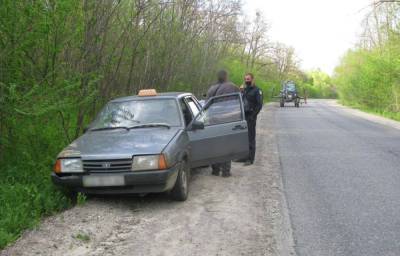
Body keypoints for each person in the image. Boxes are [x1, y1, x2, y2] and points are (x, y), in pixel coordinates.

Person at [207, 70, 239, 177]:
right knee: (227, 146)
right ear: (226, 77)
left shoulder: (211, 88)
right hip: (228, 120)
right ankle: (226, 171)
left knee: (215, 145)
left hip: (214, 120)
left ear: (218, 77)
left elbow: (207, 105)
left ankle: (215, 170)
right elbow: (239, 100)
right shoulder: (233, 86)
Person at [242, 73, 263, 165]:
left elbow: (259, 104)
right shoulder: (244, 90)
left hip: (251, 116)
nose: (247, 81)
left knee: (250, 138)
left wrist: (253, 116)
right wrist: (241, 91)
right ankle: (244, 157)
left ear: (253, 79)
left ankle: (250, 159)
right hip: (243, 116)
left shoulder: (257, 90)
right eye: (246, 79)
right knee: (243, 137)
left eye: (248, 79)